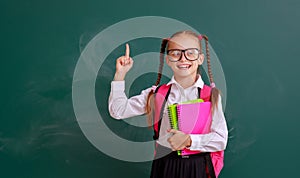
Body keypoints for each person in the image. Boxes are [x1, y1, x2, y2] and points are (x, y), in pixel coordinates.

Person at [108, 30, 228, 178]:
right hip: (165, 165)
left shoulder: (211, 96)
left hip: (198, 166)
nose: (183, 59)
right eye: (176, 53)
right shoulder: (157, 93)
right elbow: (118, 111)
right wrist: (120, 75)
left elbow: (221, 140)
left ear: (200, 58)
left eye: (190, 53)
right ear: (168, 60)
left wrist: (189, 140)